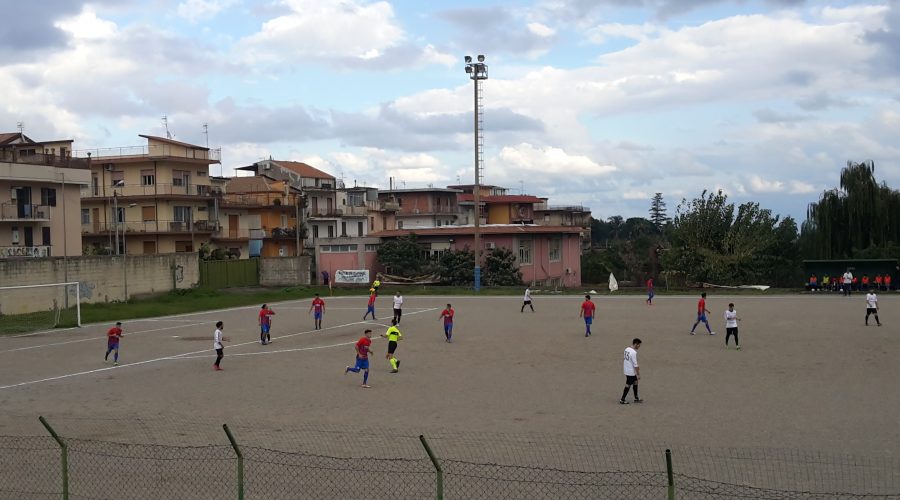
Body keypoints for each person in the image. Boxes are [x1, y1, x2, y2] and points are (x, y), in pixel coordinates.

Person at [619, 338, 643, 405]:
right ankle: (622, 399)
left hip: (626, 369)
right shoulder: (633, 352)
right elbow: (635, 365)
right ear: (635, 344)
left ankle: (636, 398)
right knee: (628, 385)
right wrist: (638, 374)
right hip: (631, 372)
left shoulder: (626, 349)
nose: (639, 346)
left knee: (635, 382)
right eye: (639, 345)